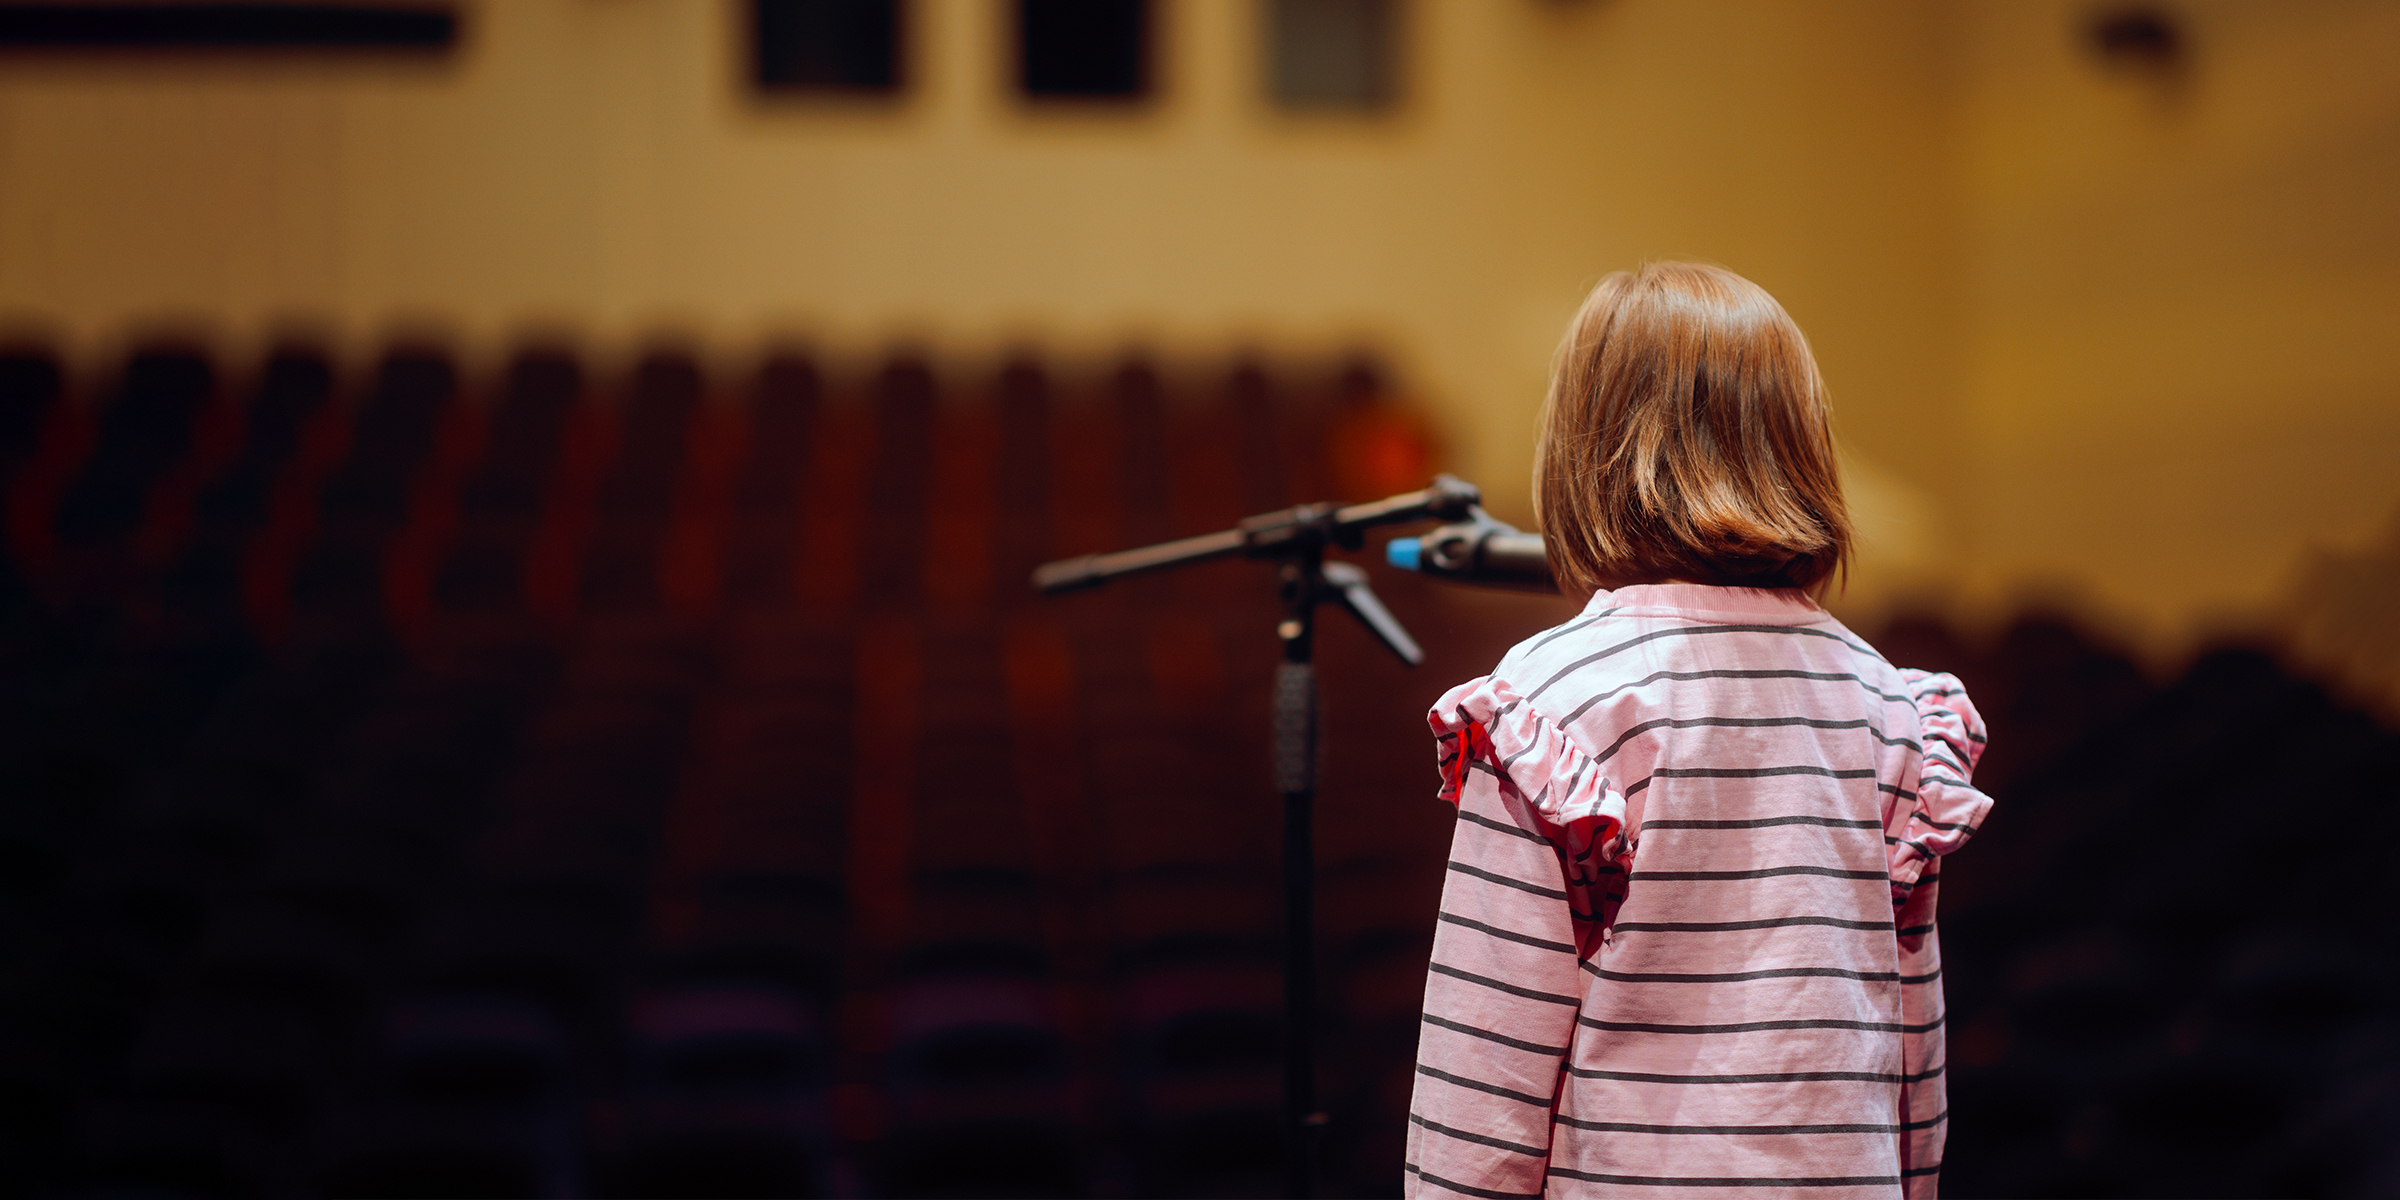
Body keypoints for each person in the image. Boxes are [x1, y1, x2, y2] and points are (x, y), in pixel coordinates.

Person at [1404, 262, 1993, 1198]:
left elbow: (1485, 1074)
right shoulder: (1891, 706)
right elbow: (1910, 1055)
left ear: (1581, 447)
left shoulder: (1556, 699)